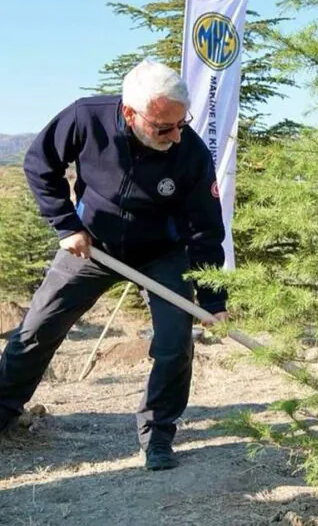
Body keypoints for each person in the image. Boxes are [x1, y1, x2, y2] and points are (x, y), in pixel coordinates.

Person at [0, 59, 229, 471]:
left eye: (182, 123)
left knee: (175, 343)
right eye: (164, 128)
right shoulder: (86, 118)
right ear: (129, 113)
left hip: (161, 253)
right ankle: (3, 410)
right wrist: (66, 224)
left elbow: (206, 228)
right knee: (36, 329)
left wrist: (213, 300)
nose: (176, 136)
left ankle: (158, 435)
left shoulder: (190, 152)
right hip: (91, 247)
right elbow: (39, 164)